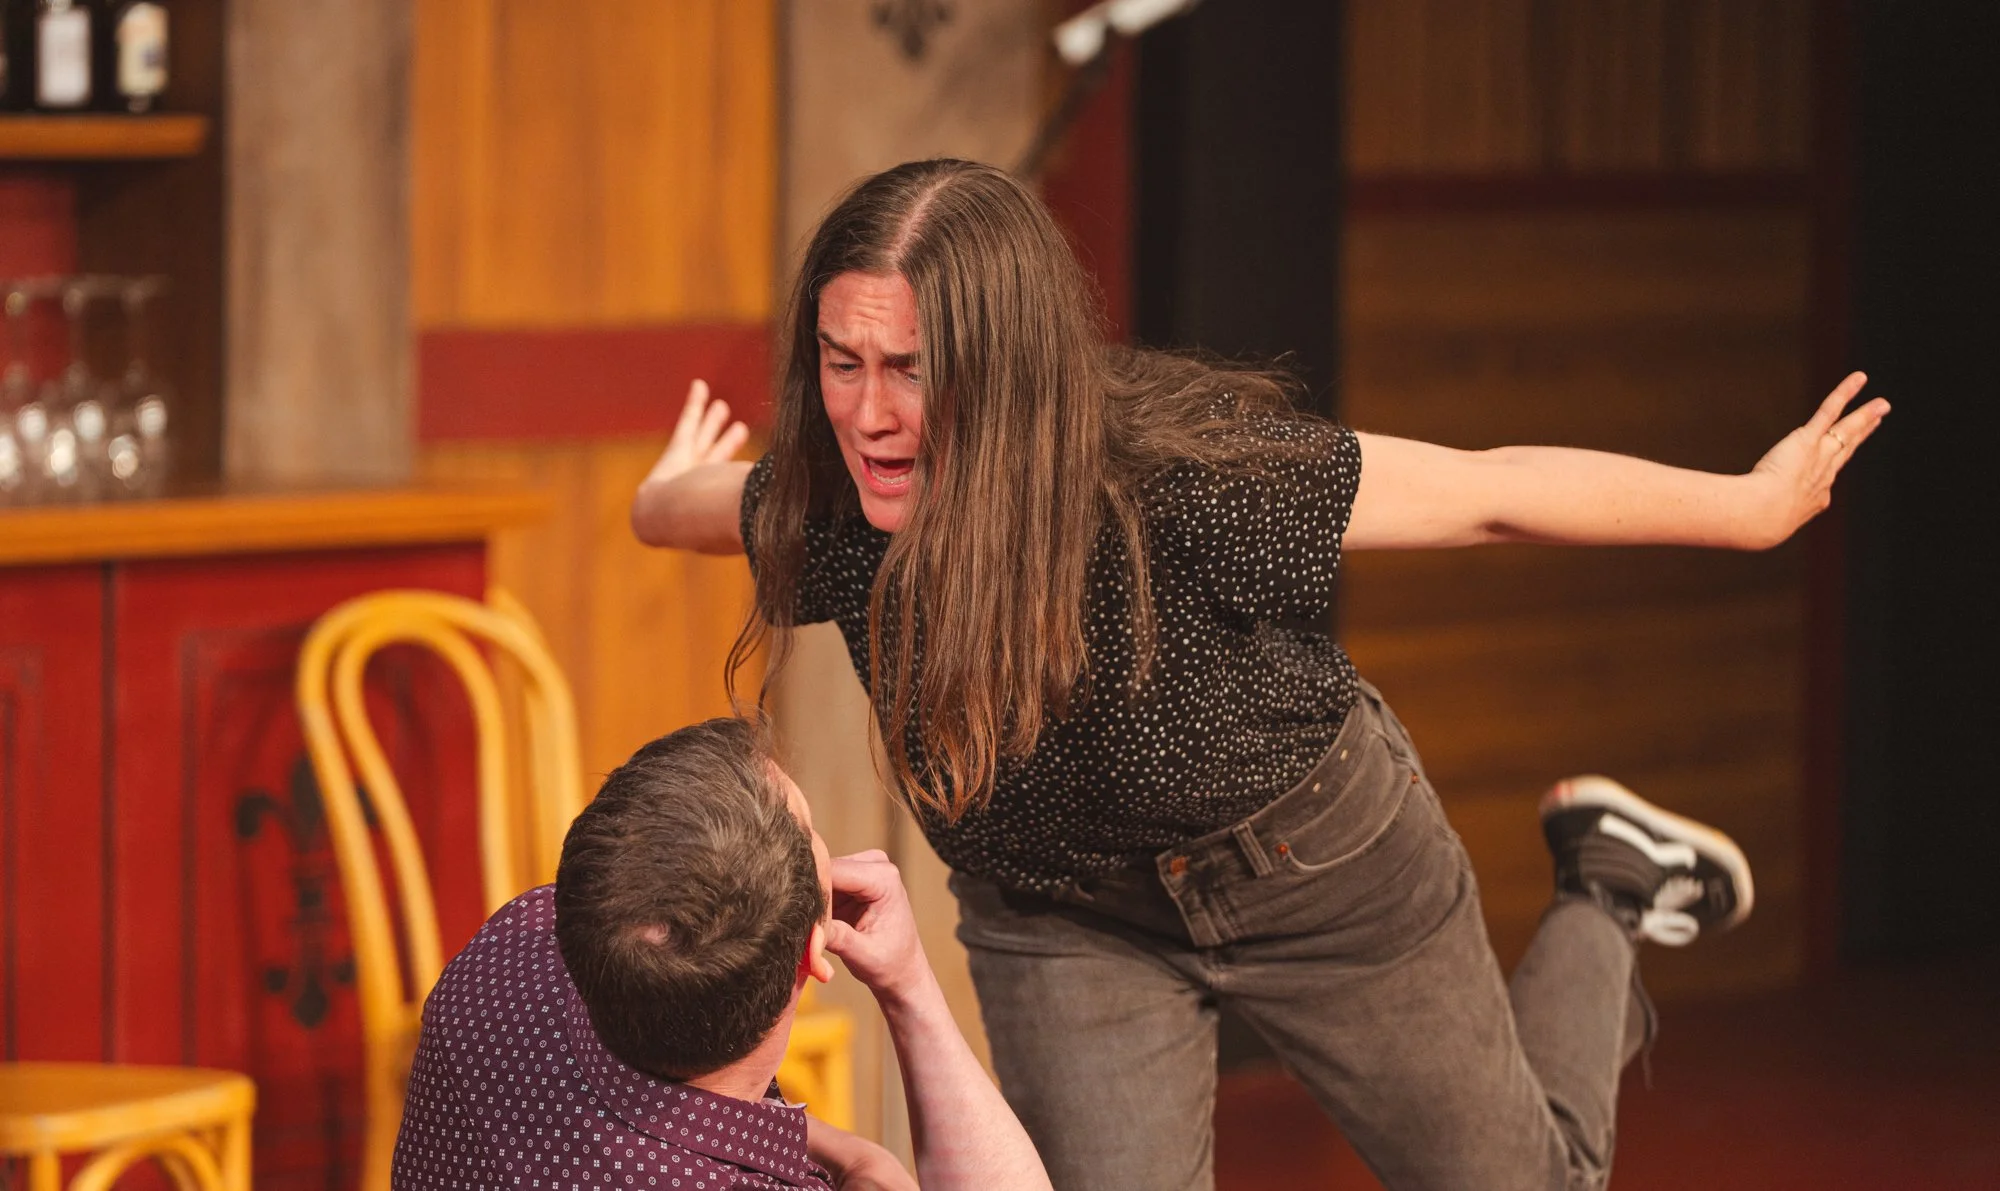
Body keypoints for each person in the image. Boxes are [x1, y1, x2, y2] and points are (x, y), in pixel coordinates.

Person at [628, 158, 1890, 1191]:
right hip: (1061, 918)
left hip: (1314, 871)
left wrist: (1744, 509)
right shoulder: (833, 511)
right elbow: (684, 511)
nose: (867, 415)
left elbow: (1485, 492)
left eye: (910, 368)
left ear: (1007, 366)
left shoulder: (1179, 479)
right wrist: (654, 490)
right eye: (841, 361)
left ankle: (1603, 883)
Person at [390, 716, 1053, 1191]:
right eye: (812, 831)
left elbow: (674, 1110)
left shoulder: (509, 944)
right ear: (812, 955)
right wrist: (909, 988)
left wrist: (851, 1154)